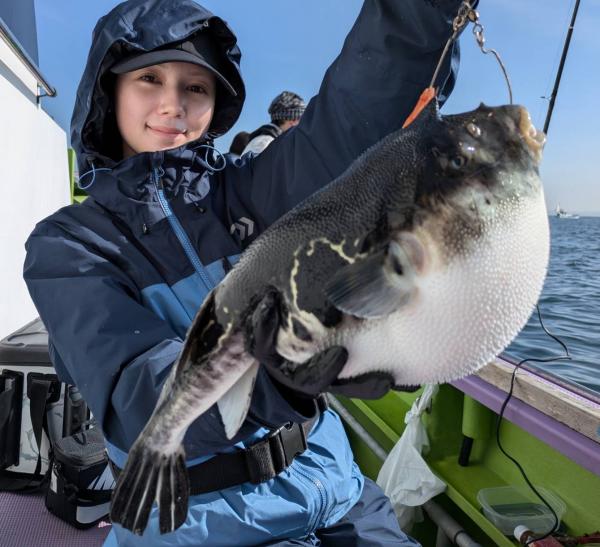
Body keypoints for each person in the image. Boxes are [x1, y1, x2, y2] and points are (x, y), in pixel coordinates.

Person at [23, 0, 466, 545]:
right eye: (149, 79)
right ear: (107, 92)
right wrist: (289, 369)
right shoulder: (68, 245)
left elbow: (355, 120)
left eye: (195, 87)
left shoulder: (249, 189)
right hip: (195, 527)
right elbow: (139, 398)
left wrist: (425, 10)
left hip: (338, 491)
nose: (173, 104)